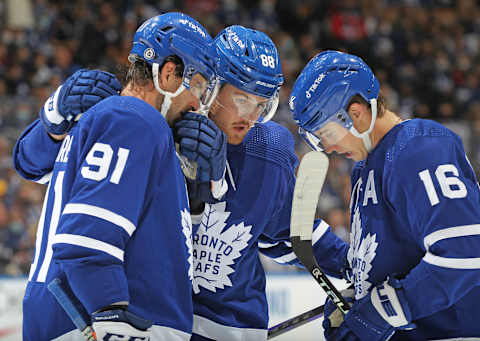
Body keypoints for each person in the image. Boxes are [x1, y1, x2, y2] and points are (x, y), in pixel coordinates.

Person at [15, 12, 221, 341]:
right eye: (197, 87)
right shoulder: (135, 119)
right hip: (92, 322)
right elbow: (86, 241)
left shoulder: (122, 121)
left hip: (78, 317)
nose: (198, 104)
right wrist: (110, 310)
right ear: (169, 74)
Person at [173, 26, 350, 340]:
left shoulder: (267, 152)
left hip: (231, 329)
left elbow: (291, 235)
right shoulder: (164, 130)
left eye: (261, 105)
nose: (250, 116)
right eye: (242, 99)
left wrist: (357, 268)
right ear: (212, 85)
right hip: (162, 325)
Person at [289, 50, 480, 340]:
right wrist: (358, 296)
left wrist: (382, 310)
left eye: (324, 134)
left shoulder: (420, 148)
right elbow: (391, 263)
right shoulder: (365, 169)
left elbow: (464, 250)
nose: (325, 148)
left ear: (356, 114)